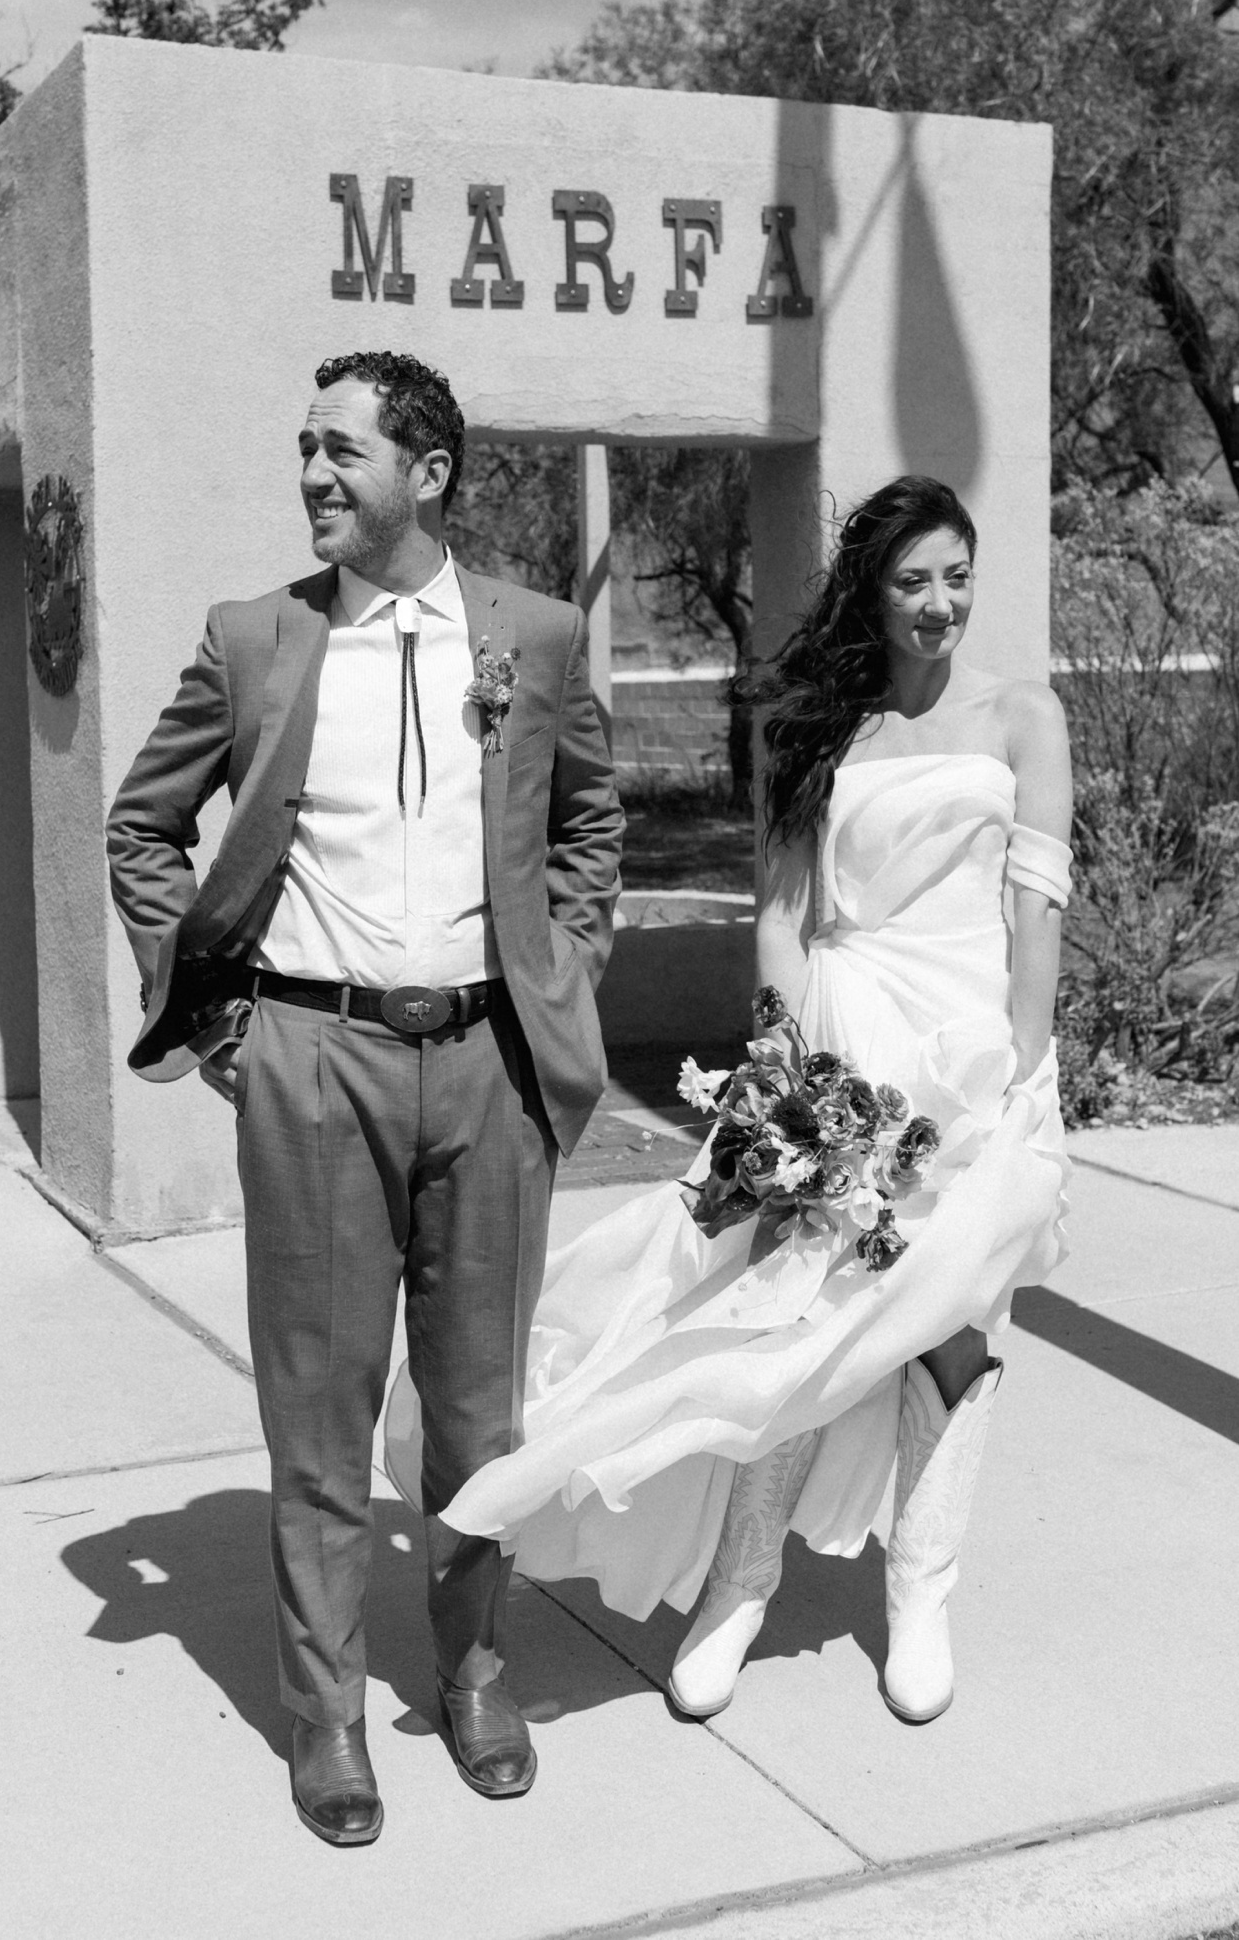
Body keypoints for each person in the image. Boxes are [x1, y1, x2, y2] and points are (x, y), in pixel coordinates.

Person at [395, 475, 1072, 1729]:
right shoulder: (826, 725)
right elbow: (781, 912)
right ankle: (740, 1583)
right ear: (874, 593)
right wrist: (786, 1062)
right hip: (845, 1039)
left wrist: (1021, 1078)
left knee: (959, 1327)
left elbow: (1038, 911)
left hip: (978, 1058)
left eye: (957, 577)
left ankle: (921, 1597)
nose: (940, 604)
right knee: (793, 1321)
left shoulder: (1027, 717)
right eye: (912, 580)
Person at [105, 350, 622, 1847]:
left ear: (429, 471)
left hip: (490, 1068)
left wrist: (565, 972)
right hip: (312, 1060)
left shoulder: (536, 632)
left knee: (477, 1416)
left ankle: (470, 1672)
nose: (315, 475)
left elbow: (589, 820)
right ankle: (328, 1711)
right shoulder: (258, 638)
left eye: (341, 450)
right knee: (321, 1415)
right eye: (306, 450)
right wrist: (218, 1021)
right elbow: (146, 822)